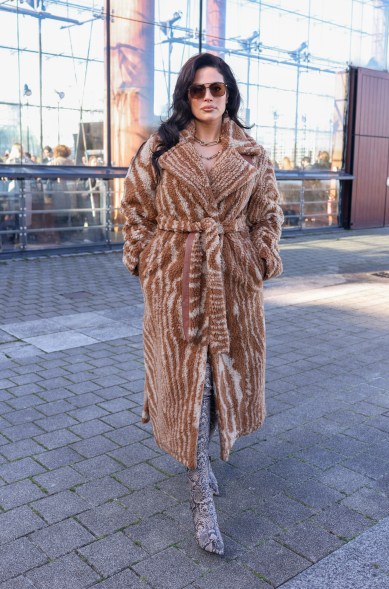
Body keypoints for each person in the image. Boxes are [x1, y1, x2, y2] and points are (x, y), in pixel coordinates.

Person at [121, 52, 284, 556]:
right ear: (185, 95)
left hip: (233, 281)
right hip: (176, 281)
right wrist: (149, 261)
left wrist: (260, 256)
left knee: (218, 382)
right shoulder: (161, 148)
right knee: (186, 383)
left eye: (217, 88)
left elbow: (269, 213)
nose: (208, 97)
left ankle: (205, 462)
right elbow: (132, 209)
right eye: (197, 89)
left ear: (229, 93)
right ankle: (200, 498)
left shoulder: (252, 153)